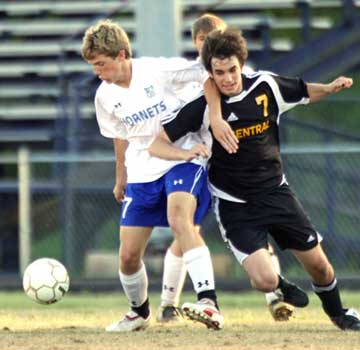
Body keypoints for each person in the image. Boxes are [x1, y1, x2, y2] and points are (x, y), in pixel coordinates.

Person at [149, 27, 360, 331]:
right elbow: (157, 143)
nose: (228, 78)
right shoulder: (204, 108)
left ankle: (340, 314)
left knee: (320, 266)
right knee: (263, 281)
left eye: (232, 69)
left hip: (276, 193)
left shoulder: (265, 86)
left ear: (241, 64)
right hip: (235, 205)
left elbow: (302, 91)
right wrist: (186, 154)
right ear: (210, 72)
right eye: (219, 72)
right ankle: (281, 285)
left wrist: (328, 88)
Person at [81, 19, 224, 332]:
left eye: (101, 64)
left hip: (184, 157)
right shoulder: (104, 96)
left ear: (121, 55)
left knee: (179, 220)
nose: (97, 72)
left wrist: (213, 116)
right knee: (129, 256)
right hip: (142, 170)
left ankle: (208, 302)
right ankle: (139, 313)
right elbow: (120, 136)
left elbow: (208, 72)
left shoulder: (158, 71)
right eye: (93, 66)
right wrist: (121, 176)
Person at [157, 13, 297, 324]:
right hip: (192, 159)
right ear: (196, 42)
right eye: (206, 41)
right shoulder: (183, 73)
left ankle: (274, 294)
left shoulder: (239, 73)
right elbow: (201, 92)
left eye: (219, 39)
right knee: (185, 228)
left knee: (253, 226)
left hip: (229, 161)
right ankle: (170, 302)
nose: (214, 47)